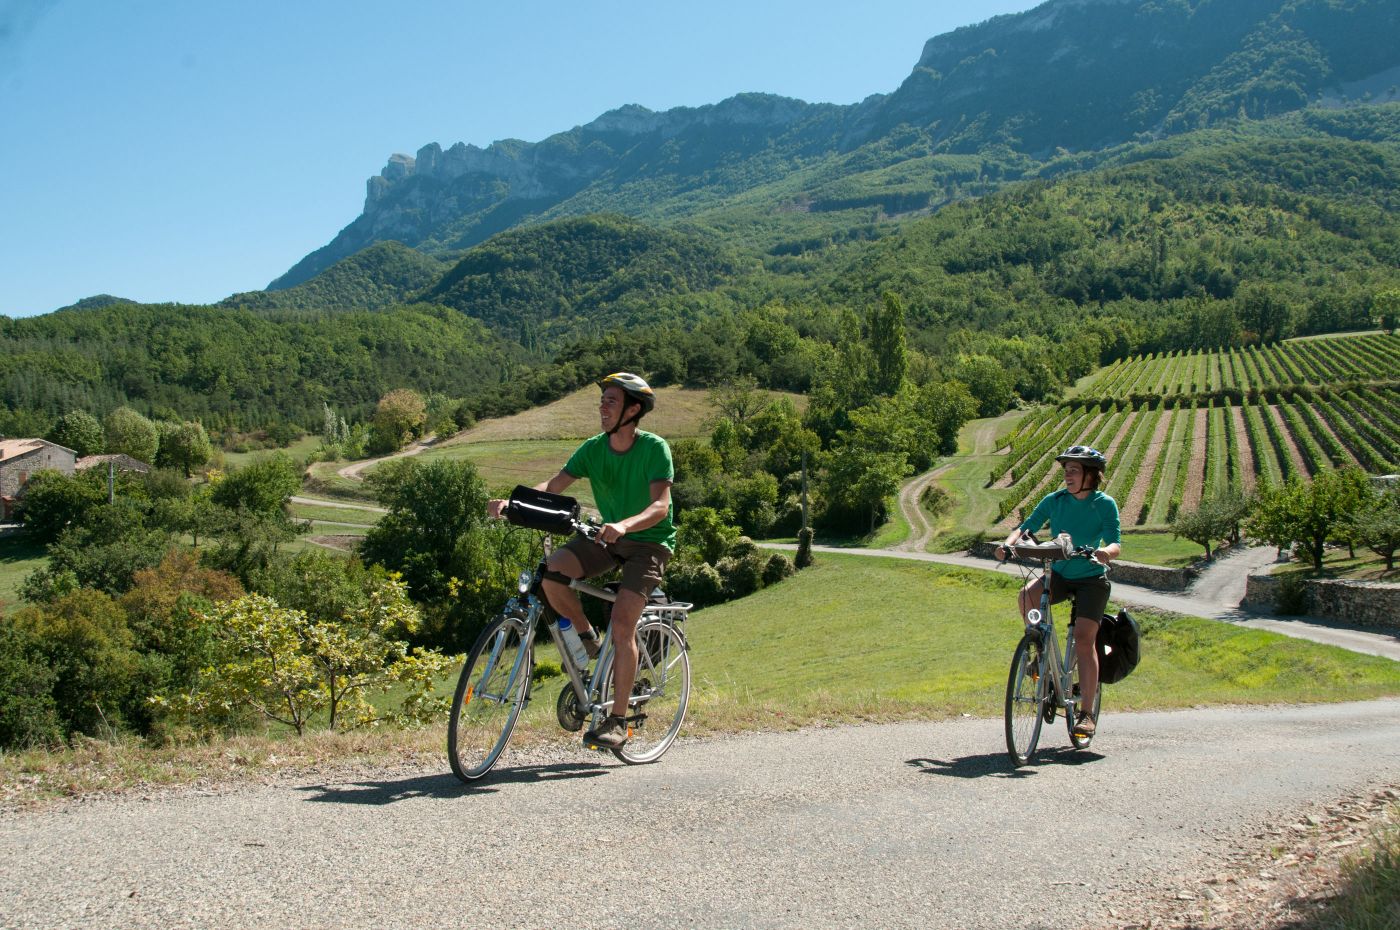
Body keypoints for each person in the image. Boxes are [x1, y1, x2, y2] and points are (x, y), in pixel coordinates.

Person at [487, 372, 676, 750]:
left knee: (622, 625)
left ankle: (618, 721)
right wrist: (515, 504)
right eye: (602, 401)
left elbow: (661, 506)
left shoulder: (654, 448)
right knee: (553, 573)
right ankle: (589, 640)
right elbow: (553, 487)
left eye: (610, 401)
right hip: (604, 538)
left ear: (632, 409)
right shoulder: (593, 448)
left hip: (647, 545)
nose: (602, 408)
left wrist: (624, 524)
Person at [994, 445, 1121, 737]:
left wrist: (1105, 553)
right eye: (1066, 470)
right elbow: (1026, 528)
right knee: (1027, 595)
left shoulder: (1104, 504)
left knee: (1084, 639)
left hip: (1091, 579)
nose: (1068, 475)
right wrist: (1008, 544)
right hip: (1060, 573)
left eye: (1074, 470)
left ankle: (1086, 714)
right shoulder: (1056, 500)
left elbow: (1115, 541)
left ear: (1092, 475)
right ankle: (1038, 652)